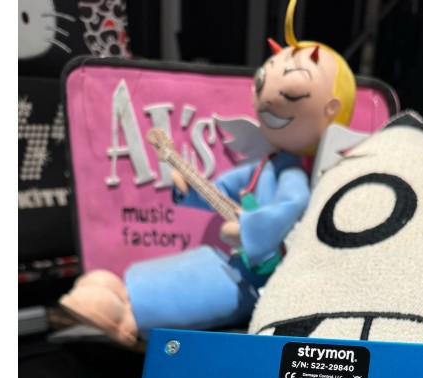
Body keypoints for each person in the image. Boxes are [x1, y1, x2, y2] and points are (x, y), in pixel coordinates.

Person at [59, 0, 356, 348]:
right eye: (264, 80)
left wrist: (247, 229)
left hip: (259, 280)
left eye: (289, 86)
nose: (267, 96)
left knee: (194, 287)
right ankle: (121, 290)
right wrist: (190, 187)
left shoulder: (294, 175)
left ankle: (127, 317)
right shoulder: (265, 165)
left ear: (331, 108)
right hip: (234, 260)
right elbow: (222, 190)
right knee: (186, 265)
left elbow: (290, 207)